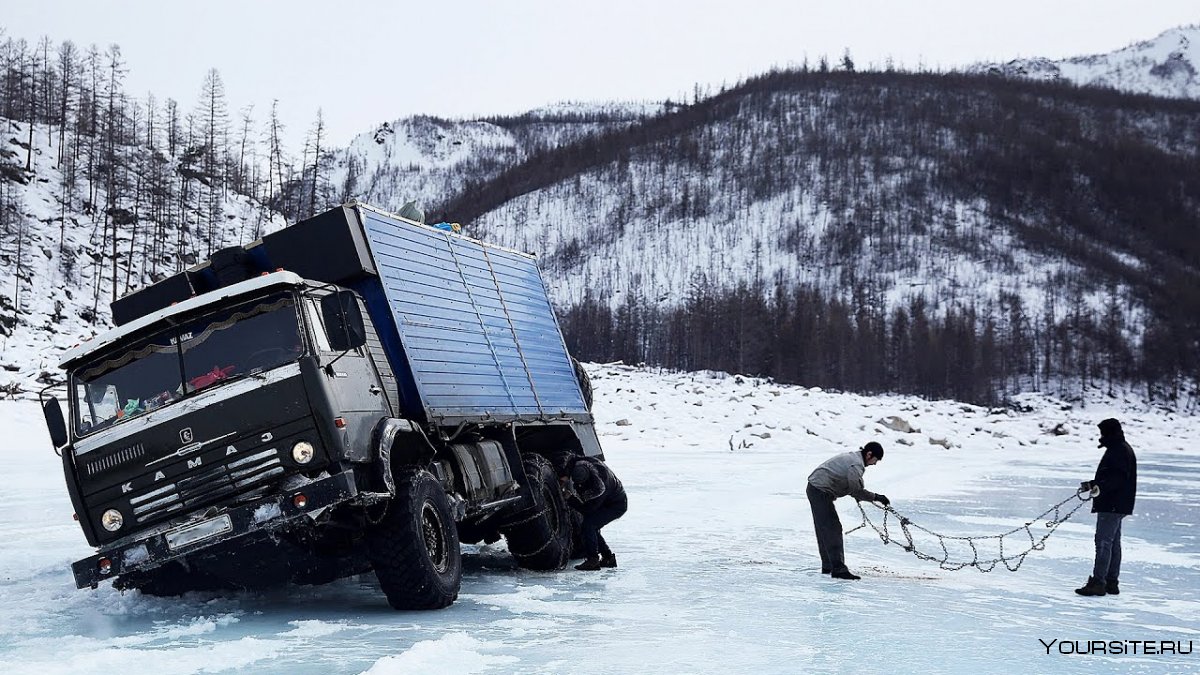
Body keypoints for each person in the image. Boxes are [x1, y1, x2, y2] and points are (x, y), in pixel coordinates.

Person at [806, 442, 890, 580]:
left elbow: (852, 486)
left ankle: (829, 566)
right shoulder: (856, 464)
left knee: (824, 528)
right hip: (819, 490)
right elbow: (856, 490)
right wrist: (876, 497)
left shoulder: (855, 460)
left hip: (816, 488)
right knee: (832, 528)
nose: (875, 464)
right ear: (869, 454)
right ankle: (838, 569)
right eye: (876, 460)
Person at [1075, 418, 1138, 597]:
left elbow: (1116, 479)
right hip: (1118, 504)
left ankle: (1099, 582)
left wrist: (1098, 487)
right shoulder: (1120, 448)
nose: (1101, 436)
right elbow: (1112, 477)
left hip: (1112, 504)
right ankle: (1111, 582)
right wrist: (1092, 484)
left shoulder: (1118, 450)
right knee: (1113, 543)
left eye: (1103, 433)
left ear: (1109, 433)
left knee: (1103, 543)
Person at [561, 456, 628, 571]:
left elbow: (587, 510)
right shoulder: (584, 463)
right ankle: (608, 557)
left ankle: (593, 560)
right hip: (610, 498)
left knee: (589, 525)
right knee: (592, 527)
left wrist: (570, 498)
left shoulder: (600, 487)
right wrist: (566, 475)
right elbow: (572, 460)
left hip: (616, 505)